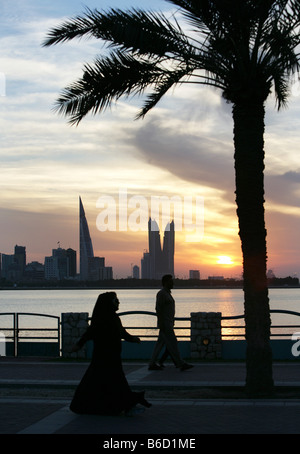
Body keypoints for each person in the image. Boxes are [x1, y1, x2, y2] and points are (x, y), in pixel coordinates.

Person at [69, 291, 151, 416]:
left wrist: (133, 339)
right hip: (102, 357)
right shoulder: (101, 318)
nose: (118, 302)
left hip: (113, 356)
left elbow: (122, 333)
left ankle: (113, 406)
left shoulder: (114, 317)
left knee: (104, 383)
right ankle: (125, 404)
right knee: (110, 382)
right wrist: (79, 344)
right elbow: (89, 333)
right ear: (108, 303)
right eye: (115, 300)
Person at [148, 275, 193, 371]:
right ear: (165, 282)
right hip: (165, 324)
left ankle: (152, 364)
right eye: (170, 281)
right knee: (173, 344)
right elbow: (158, 309)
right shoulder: (162, 294)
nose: (173, 283)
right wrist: (161, 324)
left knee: (160, 344)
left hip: (168, 323)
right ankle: (180, 363)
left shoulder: (167, 294)